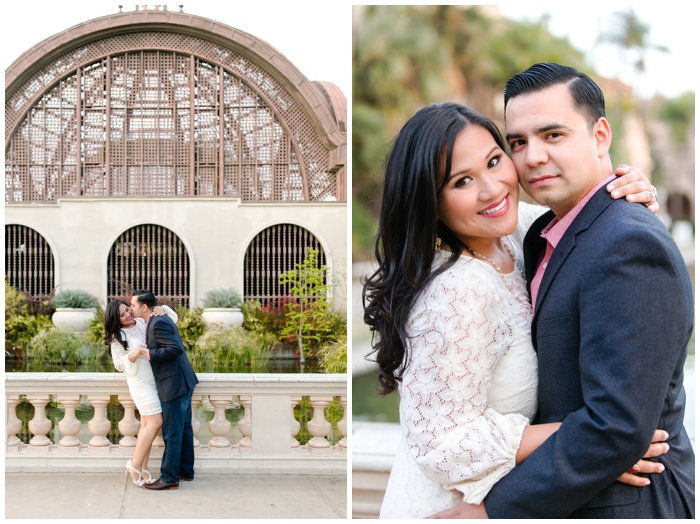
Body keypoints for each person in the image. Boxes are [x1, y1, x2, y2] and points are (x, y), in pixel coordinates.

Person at [362, 101, 666, 519]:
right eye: (462, 181)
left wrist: (631, 187)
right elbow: (443, 446)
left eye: (494, 161)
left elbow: (583, 213)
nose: (492, 189)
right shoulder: (458, 289)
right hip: (456, 507)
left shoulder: (515, 231)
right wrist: (597, 441)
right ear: (430, 203)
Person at [430, 63, 694, 519]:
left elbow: (616, 428)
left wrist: (490, 512)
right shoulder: (538, 236)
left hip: (627, 504)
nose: (532, 157)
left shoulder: (628, 244)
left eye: (553, 135)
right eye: (518, 142)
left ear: (600, 136)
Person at [130, 290, 199, 491]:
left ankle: (170, 477)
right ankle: (186, 472)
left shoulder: (158, 322)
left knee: (172, 432)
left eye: (133, 305)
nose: (131, 308)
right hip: (182, 381)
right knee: (184, 429)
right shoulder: (158, 317)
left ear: (144, 307)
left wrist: (149, 353)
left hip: (174, 384)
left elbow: (176, 348)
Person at [105, 299, 177, 486]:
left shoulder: (144, 321)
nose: (128, 314)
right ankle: (134, 465)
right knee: (156, 421)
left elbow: (172, 320)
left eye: (128, 310)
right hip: (140, 383)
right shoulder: (117, 336)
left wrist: (163, 309)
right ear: (116, 319)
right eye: (122, 314)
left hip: (156, 378)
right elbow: (119, 364)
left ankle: (143, 468)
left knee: (147, 425)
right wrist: (135, 354)